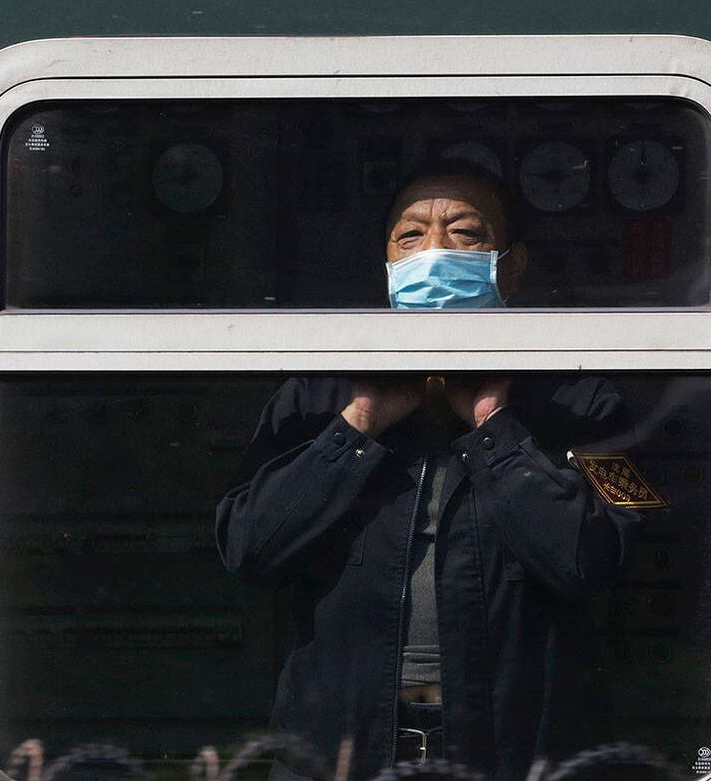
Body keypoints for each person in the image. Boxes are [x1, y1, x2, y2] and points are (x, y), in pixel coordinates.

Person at [215, 160, 643, 781]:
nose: (435, 252)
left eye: (465, 233)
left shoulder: (582, 400)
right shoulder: (314, 398)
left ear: (512, 266)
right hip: (343, 753)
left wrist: (495, 429)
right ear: (388, 266)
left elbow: (595, 557)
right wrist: (358, 424)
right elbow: (248, 545)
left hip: (516, 754)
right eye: (411, 236)